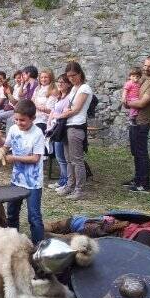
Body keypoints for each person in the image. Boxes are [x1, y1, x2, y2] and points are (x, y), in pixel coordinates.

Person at [0, 100, 45, 244]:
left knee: (34, 216)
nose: (19, 123)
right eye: (17, 119)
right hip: (17, 179)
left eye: (23, 120)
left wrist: (14, 158)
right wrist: (1, 147)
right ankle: (13, 242)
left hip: (33, 181)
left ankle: (39, 246)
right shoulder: (13, 129)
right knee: (12, 212)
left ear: (32, 118)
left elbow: (35, 158)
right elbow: (7, 145)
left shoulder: (37, 133)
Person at [123, 56, 150, 193]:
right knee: (136, 151)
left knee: (141, 152)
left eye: (149, 66)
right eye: (145, 65)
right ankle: (137, 178)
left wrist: (126, 102)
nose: (146, 68)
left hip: (143, 121)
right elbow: (131, 90)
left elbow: (141, 103)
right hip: (134, 119)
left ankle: (144, 184)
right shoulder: (144, 78)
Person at [56, 62, 93, 200]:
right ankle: (70, 185)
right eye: (69, 76)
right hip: (68, 125)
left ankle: (79, 189)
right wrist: (65, 112)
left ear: (80, 74)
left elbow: (76, 109)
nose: (71, 78)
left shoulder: (84, 88)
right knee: (68, 159)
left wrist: (60, 115)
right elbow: (69, 106)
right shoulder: (74, 88)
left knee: (77, 160)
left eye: (73, 75)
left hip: (76, 125)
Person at [46, 74, 72, 192]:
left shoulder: (68, 98)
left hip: (62, 128)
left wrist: (55, 117)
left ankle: (65, 181)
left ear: (68, 84)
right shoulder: (60, 97)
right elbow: (53, 111)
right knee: (59, 156)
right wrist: (49, 122)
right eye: (58, 82)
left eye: (63, 82)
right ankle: (62, 180)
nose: (60, 84)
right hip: (55, 128)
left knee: (62, 157)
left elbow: (64, 113)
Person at [32, 69, 57, 133]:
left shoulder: (52, 90)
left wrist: (36, 106)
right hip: (35, 116)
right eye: (41, 77)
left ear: (50, 78)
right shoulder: (37, 89)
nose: (43, 79)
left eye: (46, 77)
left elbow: (49, 109)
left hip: (45, 119)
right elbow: (32, 101)